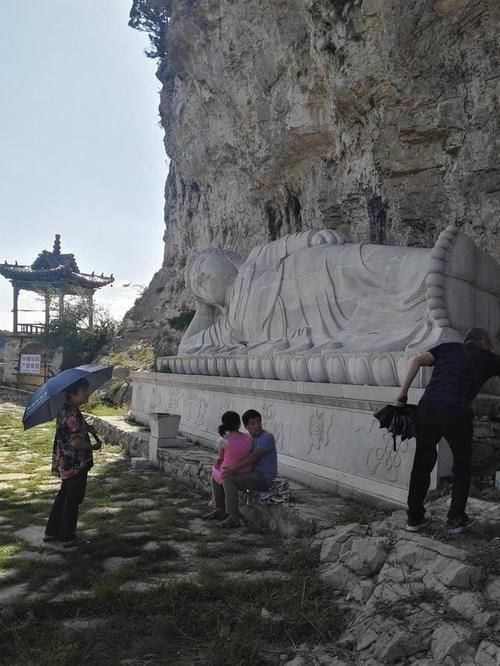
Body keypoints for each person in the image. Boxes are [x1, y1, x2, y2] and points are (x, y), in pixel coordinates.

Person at [395, 327, 500, 534]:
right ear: (482, 340)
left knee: (422, 463)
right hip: (457, 411)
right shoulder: (488, 358)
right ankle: (456, 519)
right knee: (462, 464)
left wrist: (402, 393)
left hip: (428, 407)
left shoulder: (447, 348)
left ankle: (414, 518)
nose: (492, 347)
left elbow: (415, 360)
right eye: (490, 344)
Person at [44, 378, 102, 548]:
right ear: (73, 394)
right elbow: (76, 442)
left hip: (66, 462)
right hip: (75, 463)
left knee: (64, 495)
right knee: (73, 498)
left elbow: (75, 430)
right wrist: (92, 446)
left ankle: (52, 531)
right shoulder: (72, 414)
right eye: (83, 390)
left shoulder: (68, 410)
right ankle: (67, 536)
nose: (87, 393)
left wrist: (87, 428)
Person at [220, 409, 278, 528]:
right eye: (252, 423)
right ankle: (219, 508)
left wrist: (233, 468)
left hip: (263, 478)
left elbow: (252, 457)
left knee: (229, 479)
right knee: (221, 474)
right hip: (251, 474)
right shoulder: (248, 438)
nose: (257, 426)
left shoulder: (267, 437)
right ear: (246, 426)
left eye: (258, 422)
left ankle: (234, 517)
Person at [204, 411, 252, 521]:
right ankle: (221, 510)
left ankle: (221, 509)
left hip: (232, 473)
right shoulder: (248, 438)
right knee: (220, 473)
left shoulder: (223, 441)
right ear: (239, 424)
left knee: (216, 472)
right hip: (246, 470)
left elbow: (220, 459)